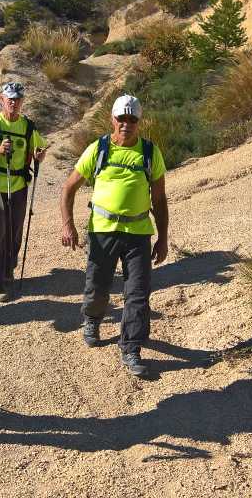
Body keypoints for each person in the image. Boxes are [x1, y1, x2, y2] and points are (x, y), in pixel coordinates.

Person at [59, 95, 169, 377]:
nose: (126, 124)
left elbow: (159, 200)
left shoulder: (149, 152)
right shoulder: (99, 148)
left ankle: (131, 347)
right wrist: (67, 225)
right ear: (112, 119)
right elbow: (69, 187)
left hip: (138, 233)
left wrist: (163, 237)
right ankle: (92, 319)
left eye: (132, 119)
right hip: (102, 231)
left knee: (138, 293)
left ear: (139, 122)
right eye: (122, 119)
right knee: (97, 285)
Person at [0, 82, 48, 302]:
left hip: (19, 186)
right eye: (10, 99)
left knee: (15, 231)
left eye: (18, 99)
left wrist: (39, 154)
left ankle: (9, 268)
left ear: (22, 101)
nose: (14, 103)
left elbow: (40, 148)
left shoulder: (28, 126)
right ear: (2, 100)